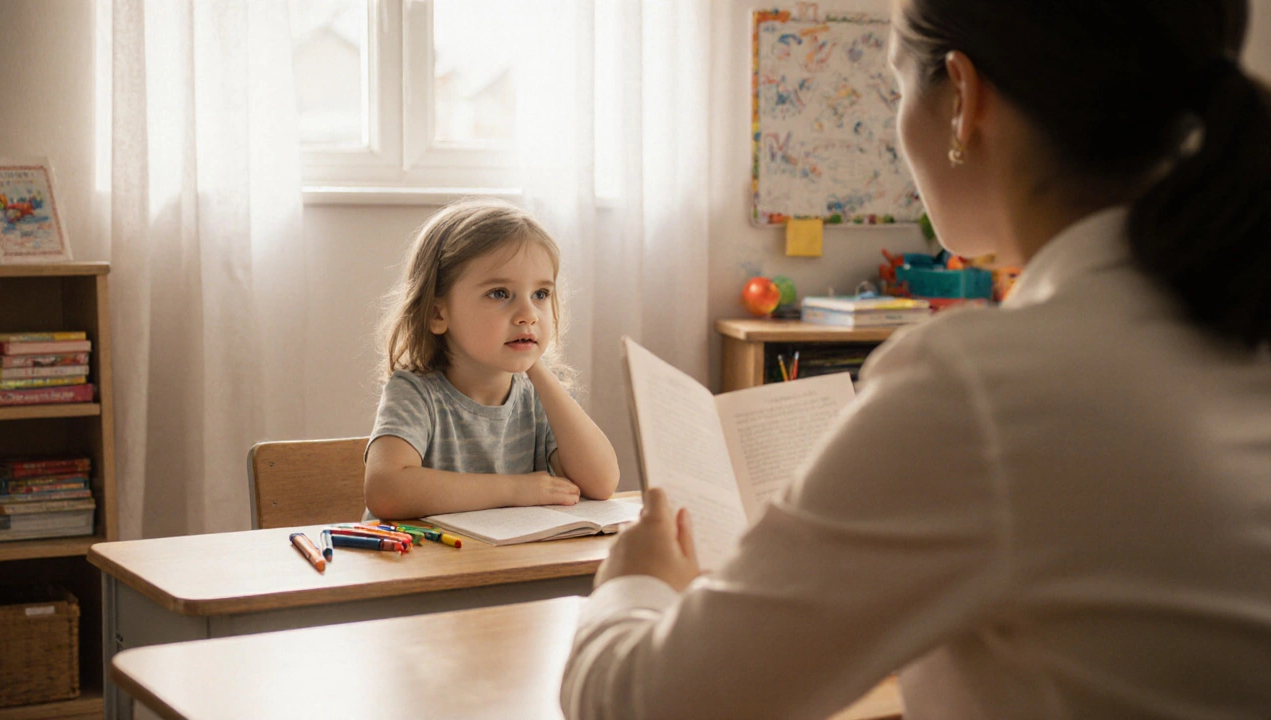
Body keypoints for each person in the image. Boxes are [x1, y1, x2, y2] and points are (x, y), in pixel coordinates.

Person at [562, 0, 1271, 717]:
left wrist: (636, 580)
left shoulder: (983, 387)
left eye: (899, 92)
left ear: (962, 98)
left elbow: (640, 702)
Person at [364, 200, 619, 521]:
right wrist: (516, 490)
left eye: (541, 294)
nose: (529, 314)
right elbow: (386, 490)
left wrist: (537, 369)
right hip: (423, 565)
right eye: (500, 293)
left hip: (503, 565)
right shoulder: (415, 393)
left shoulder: (537, 394)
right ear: (437, 312)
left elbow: (602, 483)